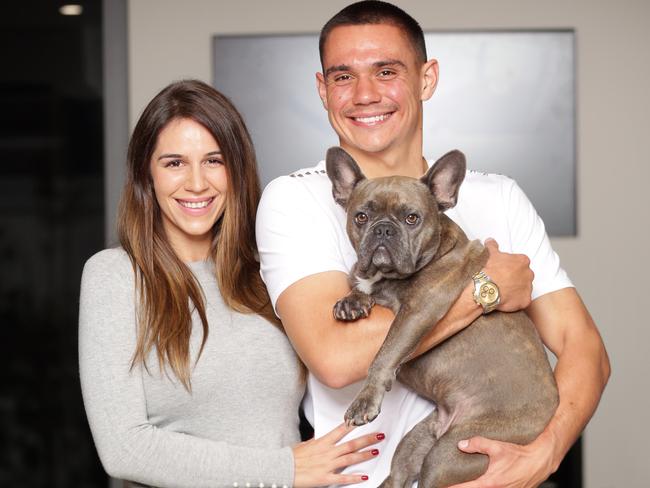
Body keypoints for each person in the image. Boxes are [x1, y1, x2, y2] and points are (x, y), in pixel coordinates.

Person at [255, 2, 610, 487]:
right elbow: (336, 358)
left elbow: (583, 345)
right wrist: (484, 289)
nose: (365, 94)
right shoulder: (293, 198)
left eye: (386, 71)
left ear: (427, 79)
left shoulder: (499, 196)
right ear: (322, 89)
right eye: (343, 77)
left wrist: (544, 455)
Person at [78, 79, 385, 488]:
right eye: (174, 163)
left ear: (236, 168)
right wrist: (284, 470)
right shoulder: (115, 276)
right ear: (145, 174)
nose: (197, 183)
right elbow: (124, 448)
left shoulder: (269, 273)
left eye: (214, 161)